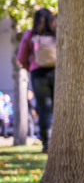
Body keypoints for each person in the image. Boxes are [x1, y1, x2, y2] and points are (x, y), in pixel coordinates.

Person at [17, 8, 57, 152]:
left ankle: (47, 142)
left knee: (44, 109)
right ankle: (59, 139)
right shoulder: (57, 34)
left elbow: (21, 57)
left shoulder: (31, 35)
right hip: (57, 73)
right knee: (59, 108)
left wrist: (30, 68)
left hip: (38, 74)